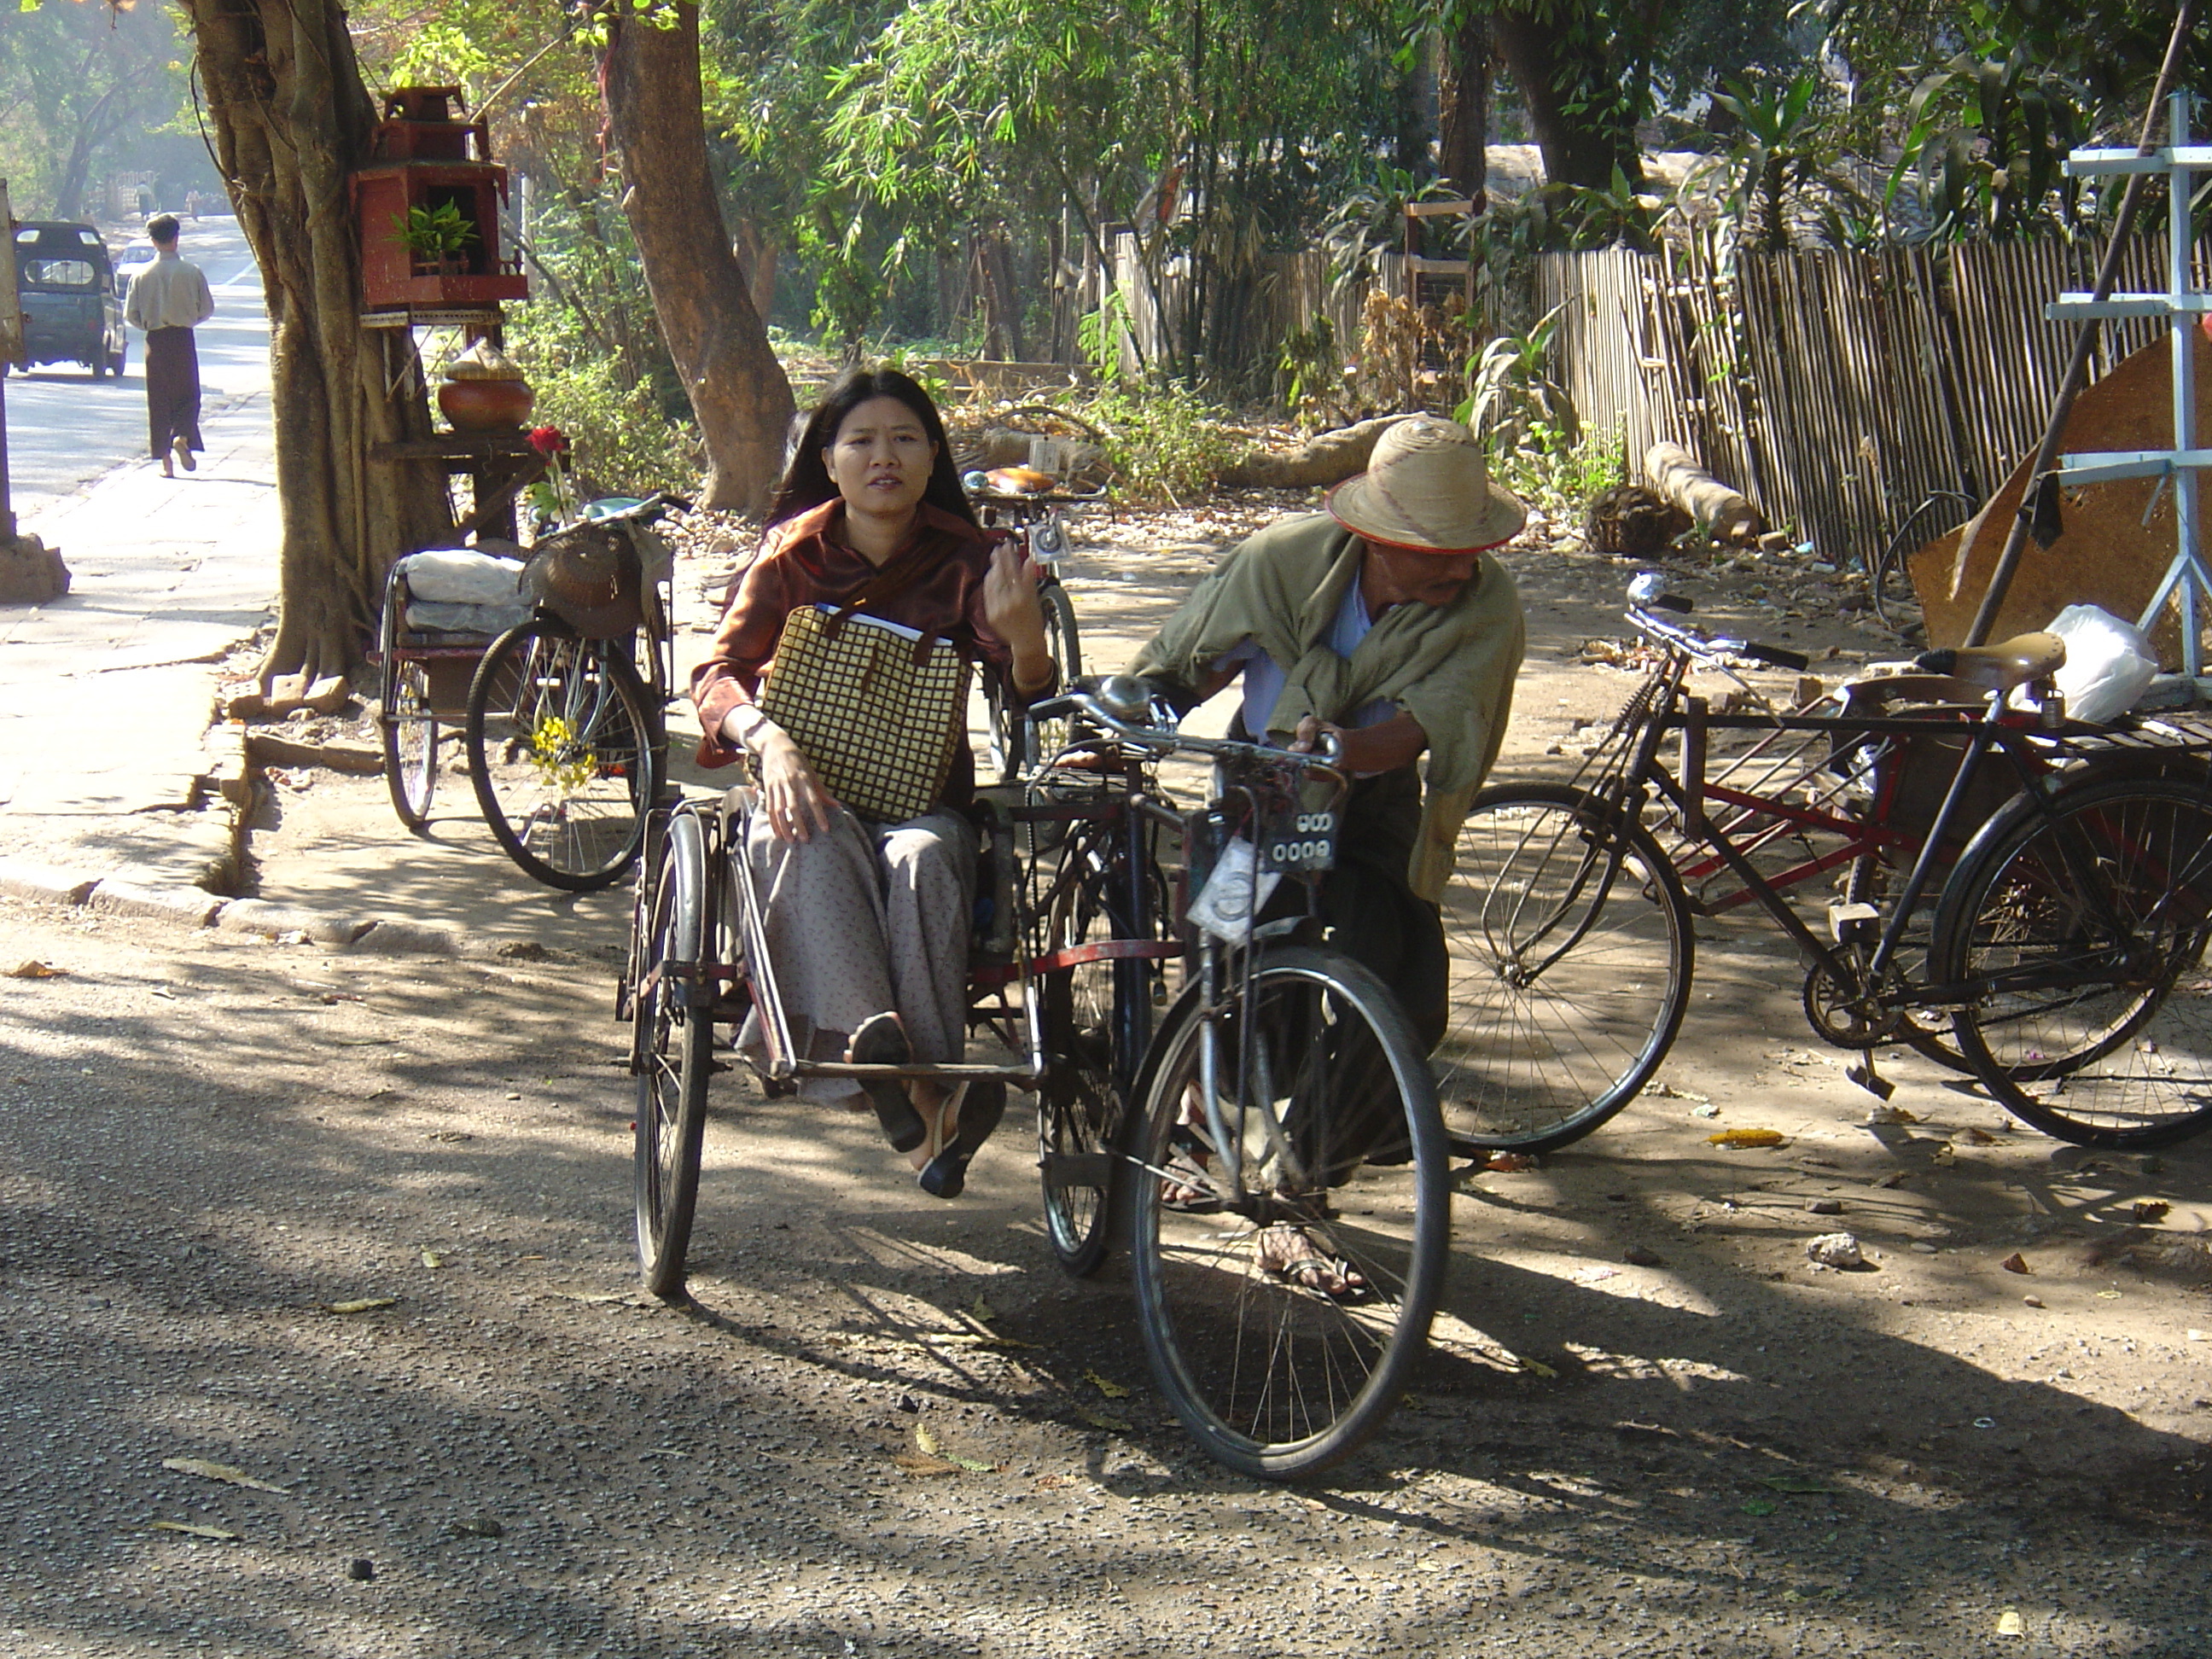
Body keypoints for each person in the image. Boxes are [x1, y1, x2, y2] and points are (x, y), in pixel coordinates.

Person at [1126, 413, 1526, 1291]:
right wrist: (1138, 717)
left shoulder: (1484, 603)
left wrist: (1341, 750)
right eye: (1440, 550)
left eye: (1473, 547)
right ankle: (1196, 1111)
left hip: (1374, 799)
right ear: (1375, 537)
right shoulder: (1286, 562)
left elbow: (1430, 725)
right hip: (1261, 783)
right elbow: (1190, 662)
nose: (1464, 567)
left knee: (1403, 993)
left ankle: (1299, 1189)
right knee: (1227, 969)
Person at [691, 368, 1056, 1196]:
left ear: (933, 457)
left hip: (924, 801)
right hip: (804, 786)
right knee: (803, 833)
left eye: (903, 439)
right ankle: (917, 1083)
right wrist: (767, 737)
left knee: (928, 857)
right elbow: (718, 673)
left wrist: (1026, 641)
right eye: (860, 441)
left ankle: (902, 1076)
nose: (882, 456)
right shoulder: (791, 555)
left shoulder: (974, 563)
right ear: (830, 459)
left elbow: (1031, 696)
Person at [124, 214, 215, 479]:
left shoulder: (141, 275)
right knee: (189, 395)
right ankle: (183, 437)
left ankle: (166, 464)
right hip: (183, 338)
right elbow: (207, 308)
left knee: (159, 401)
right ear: (176, 238)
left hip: (155, 341)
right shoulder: (191, 272)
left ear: (152, 241)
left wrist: (148, 324)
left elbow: (131, 314)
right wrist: (189, 319)